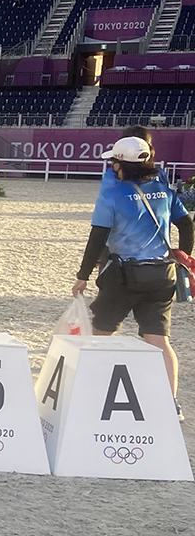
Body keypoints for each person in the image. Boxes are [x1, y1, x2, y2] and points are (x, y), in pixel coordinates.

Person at [73, 136, 193, 420]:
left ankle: (93, 395)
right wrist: (184, 255)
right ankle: (171, 404)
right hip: (162, 275)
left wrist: (83, 276)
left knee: (100, 334)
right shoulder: (164, 191)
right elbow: (186, 225)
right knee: (159, 340)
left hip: (123, 276)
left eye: (114, 162)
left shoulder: (112, 196)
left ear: (121, 164)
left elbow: (97, 238)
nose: (112, 167)